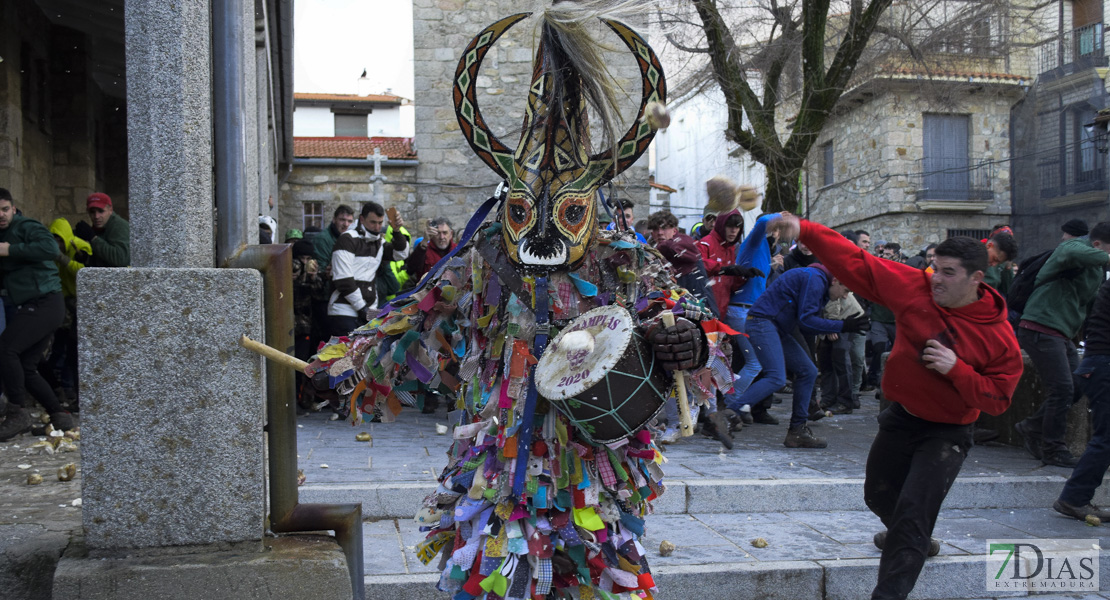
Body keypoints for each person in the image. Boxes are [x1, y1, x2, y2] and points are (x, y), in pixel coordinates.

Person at [771, 214, 1022, 600]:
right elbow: (857, 263)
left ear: (976, 279)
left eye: (948, 273)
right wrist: (805, 230)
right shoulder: (914, 287)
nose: (936, 277)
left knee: (912, 516)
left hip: (948, 432)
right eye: (935, 267)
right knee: (878, 495)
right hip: (901, 417)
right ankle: (916, 540)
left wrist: (958, 371)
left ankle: (902, 560)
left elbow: (1000, 400)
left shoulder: (999, 336)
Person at [724, 261, 868, 448]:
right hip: (763, 323)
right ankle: (728, 415)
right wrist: (842, 325)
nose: (845, 296)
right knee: (776, 377)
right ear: (836, 281)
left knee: (807, 370)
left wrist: (841, 325)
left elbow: (806, 323)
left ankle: (797, 430)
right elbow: (807, 322)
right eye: (846, 290)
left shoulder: (818, 281)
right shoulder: (816, 279)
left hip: (773, 326)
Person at [1013, 222, 1110, 467]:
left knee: (1078, 385)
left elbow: (1091, 305)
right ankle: (1053, 448)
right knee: (1062, 389)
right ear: (1097, 245)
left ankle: (1032, 426)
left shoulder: (1095, 270)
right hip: (1039, 326)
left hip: (1061, 333)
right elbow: (1070, 252)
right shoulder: (1074, 246)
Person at [0, 189, 75, 440]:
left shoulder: (25, 227)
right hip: (35, 304)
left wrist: (10, 250)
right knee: (26, 366)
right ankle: (59, 416)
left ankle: (17, 413)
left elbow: (49, 248)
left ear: (13, 208)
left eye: (5, 209)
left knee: (6, 349)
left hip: (46, 302)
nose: (1, 215)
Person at [1053, 276, 1110, 521]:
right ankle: (1074, 498)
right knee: (1106, 437)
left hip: (1098, 363)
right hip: (1103, 364)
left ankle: (1074, 497)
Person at [326, 201, 410, 335]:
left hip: (368, 309)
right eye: (373, 222)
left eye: (380, 223)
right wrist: (362, 308)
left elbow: (401, 254)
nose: (377, 227)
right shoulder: (347, 239)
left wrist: (396, 230)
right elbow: (343, 280)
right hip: (344, 310)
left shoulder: (379, 242)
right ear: (362, 219)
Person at [74, 193, 130, 267]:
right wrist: (87, 259)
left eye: (101, 211)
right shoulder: (100, 226)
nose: (96, 216)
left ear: (110, 210)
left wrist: (93, 239)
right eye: (92, 212)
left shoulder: (119, 226)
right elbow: (105, 262)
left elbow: (121, 259)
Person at [405, 217, 456, 282]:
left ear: (451, 234)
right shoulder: (423, 250)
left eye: (445, 233)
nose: (441, 237)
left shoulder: (459, 250)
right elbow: (411, 269)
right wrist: (424, 241)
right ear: (432, 234)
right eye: (438, 233)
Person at [313, 205, 356, 272]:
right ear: (334, 219)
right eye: (342, 220)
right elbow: (321, 268)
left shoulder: (352, 238)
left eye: (350, 221)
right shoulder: (322, 239)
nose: (346, 224)